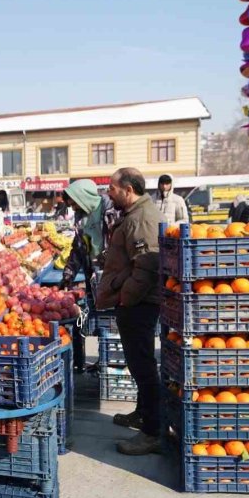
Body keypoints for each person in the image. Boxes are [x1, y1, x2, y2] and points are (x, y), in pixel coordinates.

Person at [95, 168, 162, 456]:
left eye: (112, 188)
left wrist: (126, 298)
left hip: (140, 303)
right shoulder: (134, 214)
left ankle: (153, 432)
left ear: (128, 189)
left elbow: (147, 265)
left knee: (144, 366)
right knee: (137, 363)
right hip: (136, 301)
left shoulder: (142, 217)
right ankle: (143, 413)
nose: (109, 192)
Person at [59, 179, 119, 371]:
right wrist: (68, 275)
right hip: (93, 275)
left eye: (75, 202)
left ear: (83, 196)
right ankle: (103, 360)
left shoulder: (110, 210)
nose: (73, 207)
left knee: (113, 320)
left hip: (112, 273)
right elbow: (78, 248)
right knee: (100, 318)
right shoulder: (80, 217)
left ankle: (113, 361)